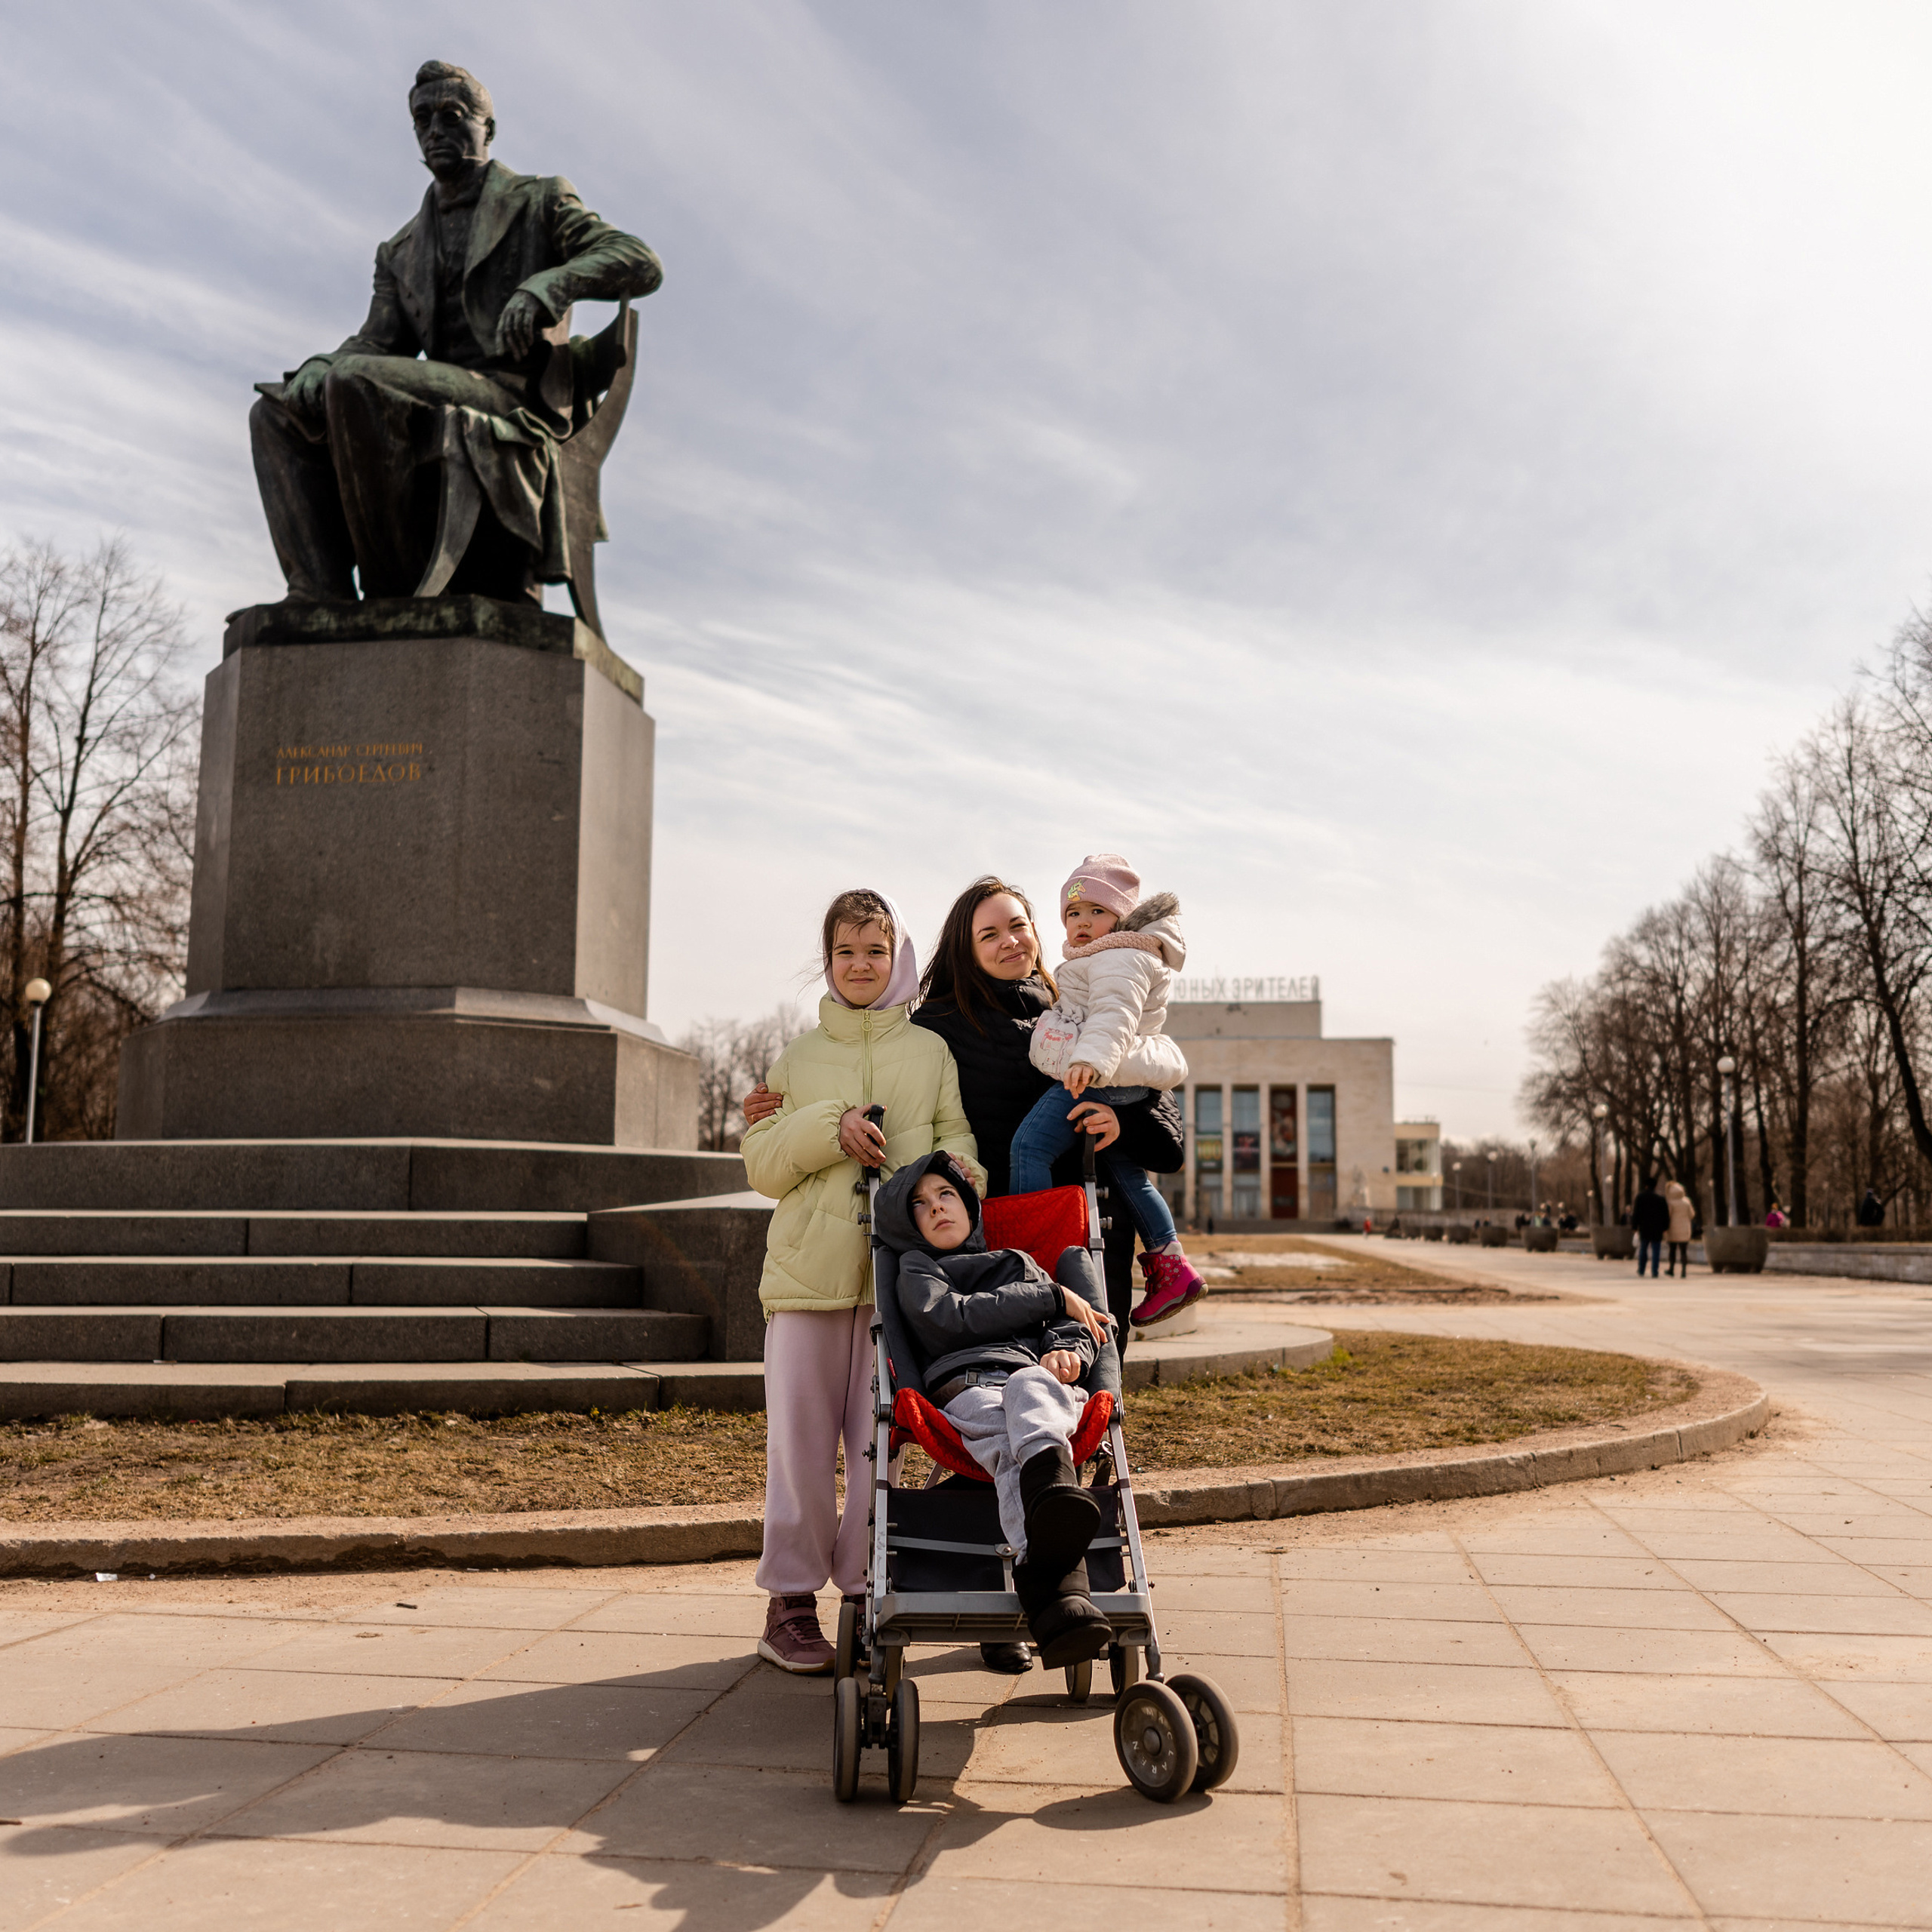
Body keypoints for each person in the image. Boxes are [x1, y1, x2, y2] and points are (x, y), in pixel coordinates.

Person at [250, 60, 661, 604]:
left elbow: (639, 261)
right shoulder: (399, 250)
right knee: (276, 413)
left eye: (452, 115)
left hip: (513, 396)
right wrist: (321, 364)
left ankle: (392, 592)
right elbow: (376, 341)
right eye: (422, 120)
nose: (435, 130)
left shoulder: (539, 199)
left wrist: (551, 284)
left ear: (487, 128)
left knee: (355, 382)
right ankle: (318, 591)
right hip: (435, 390)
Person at [739, 889, 980, 1675]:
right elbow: (762, 1165)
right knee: (799, 1448)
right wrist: (829, 1127)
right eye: (845, 951)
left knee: (883, 1445)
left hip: (898, 1282)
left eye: (875, 950)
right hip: (805, 1278)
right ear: (828, 959)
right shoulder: (798, 1056)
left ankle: (867, 1590)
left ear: (897, 957)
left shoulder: (929, 1053)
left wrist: (948, 1184)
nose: (860, 965)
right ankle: (789, 1602)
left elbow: (960, 1145)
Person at [875, 1152, 1117, 1668]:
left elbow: (1076, 1322)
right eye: (920, 1204)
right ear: (908, 1223)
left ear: (968, 1204)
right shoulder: (917, 1269)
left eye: (946, 1194)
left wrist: (1069, 1351)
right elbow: (950, 1319)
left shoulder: (1019, 1262)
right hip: (968, 1389)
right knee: (1016, 1435)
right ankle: (1061, 1575)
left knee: (1025, 1405)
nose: (936, 1207)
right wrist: (1048, 1298)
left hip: (1037, 1383)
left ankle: (1047, 1558)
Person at [1010, 856, 1204, 1327]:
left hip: (1099, 1074)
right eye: (1073, 913)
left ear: (1122, 918)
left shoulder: (1121, 956)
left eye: (1097, 911)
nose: (1082, 922)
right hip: (1116, 1077)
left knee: (1029, 1147)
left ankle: (1033, 1257)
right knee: (1122, 1167)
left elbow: (1114, 1015)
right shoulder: (1109, 954)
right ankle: (1170, 1264)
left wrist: (1087, 1061)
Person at [1631, 1176, 1669, 1278]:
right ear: (1655, 1186)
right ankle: (1655, 1271)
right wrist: (1665, 1227)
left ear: (1646, 1185)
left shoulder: (1640, 1197)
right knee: (1656, 1250)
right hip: (1657, 1229)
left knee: (1643, 1249)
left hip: (1644, 1228)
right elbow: (1665, 1215)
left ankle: (1641, 1269)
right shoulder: (1661, 1198)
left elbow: (1636, 1213)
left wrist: (1635, 1226)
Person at [1664, 1180, 1694, 1277]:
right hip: (1685, 1229)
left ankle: (1671, 1269)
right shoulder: (1687, 1201)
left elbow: (1668, 1216)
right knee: (1683, 1251)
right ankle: (1684, 1271)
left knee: (1672, 1250)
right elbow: (1692, 1214)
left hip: (1673, 1230)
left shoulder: (1670, 1202)